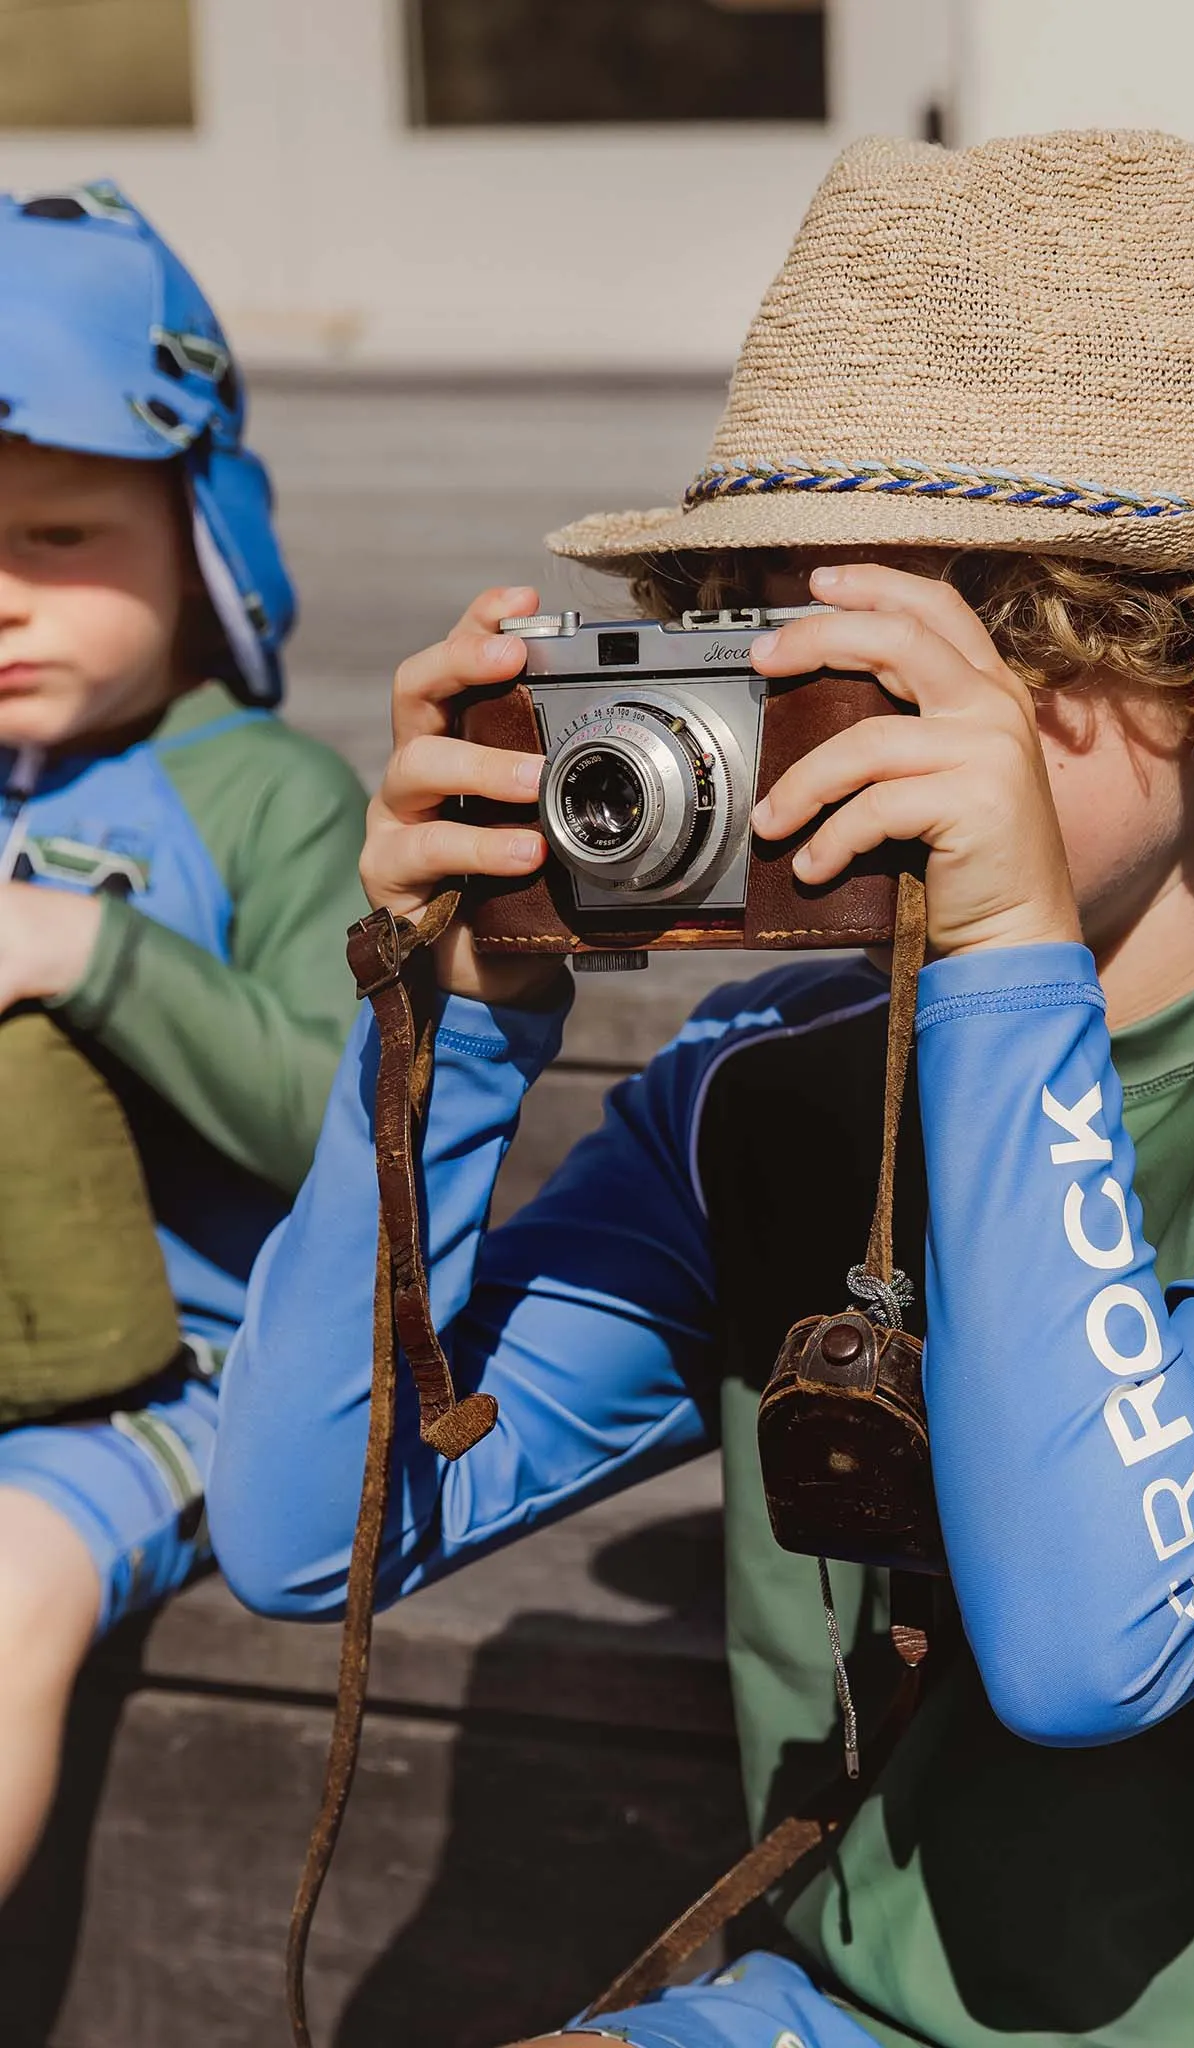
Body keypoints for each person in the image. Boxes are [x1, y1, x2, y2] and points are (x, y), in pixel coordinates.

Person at [211, 132, 1194, 2048]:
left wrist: (1008, 970)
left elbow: (1101, 1644)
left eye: (950, 643)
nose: (858, 719)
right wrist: (455, 1027)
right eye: (792, 637)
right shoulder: (759, 1091)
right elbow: (307, 1537)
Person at [0, 181, 367, 1897]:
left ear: (205, 538)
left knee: (4, 1592)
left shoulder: (266, 801)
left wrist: (97, 952)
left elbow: (343, 1128)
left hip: (179, 1395)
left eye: (59, 540)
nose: (4, 599)